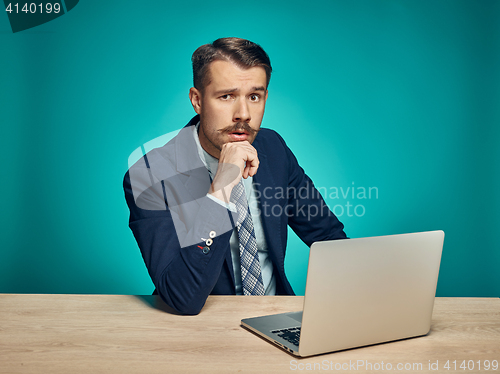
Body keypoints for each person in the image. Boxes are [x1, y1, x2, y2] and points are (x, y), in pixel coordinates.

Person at [123, 37, 347, 315]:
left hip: (278, 317)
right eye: (226, 96)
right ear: (197, 100)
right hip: (200, 329)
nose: (243, 114)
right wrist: (222, 186)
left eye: (255, 97)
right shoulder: (149, 175)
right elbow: (182, 297)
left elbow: (329, 238)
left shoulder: (273, 148)